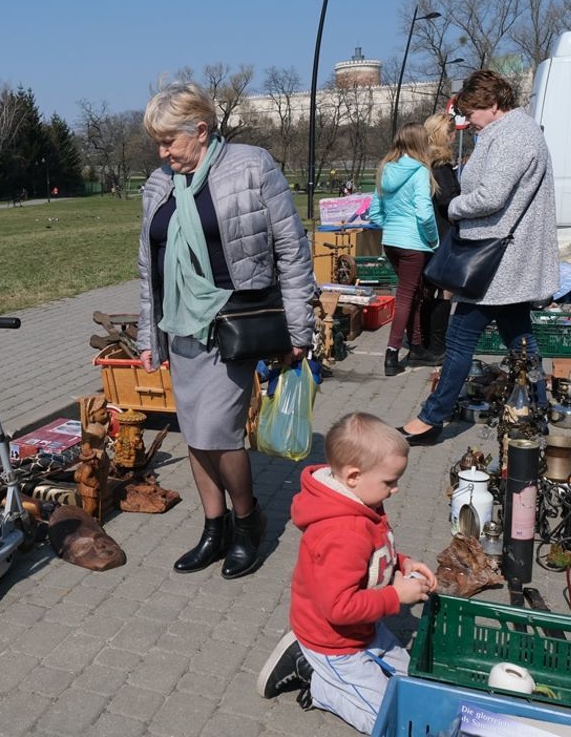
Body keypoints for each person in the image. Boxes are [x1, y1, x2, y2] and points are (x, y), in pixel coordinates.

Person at [137, 81, 314, 579]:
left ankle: (247, 520)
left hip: (234, 323)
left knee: (220, 432)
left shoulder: (251, 165)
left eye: (169, 139)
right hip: (182, 325)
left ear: (200, 129)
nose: (162, 150)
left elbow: (291, 250)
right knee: (194, 432)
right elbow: (147, 265)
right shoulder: (158, 182)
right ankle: (214, 528)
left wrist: (300, 327)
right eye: (158, 141)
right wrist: (152, 337)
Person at [398, 70, 558, 446]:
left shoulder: (514, 136)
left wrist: (453, 206)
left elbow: (490, 196)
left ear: (493, 104)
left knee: (458, 339)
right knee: (520, 341)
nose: (467, 121)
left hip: (495, 262)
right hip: (504, 259)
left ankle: (432, 418)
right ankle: (535, 413)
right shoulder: (509, 133)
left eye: (471, 112)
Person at [256, 413, 435, 734]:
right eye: (390, 482)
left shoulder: (363, 502)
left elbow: (374, 552)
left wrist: (401, 563)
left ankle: (318, 668)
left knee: (417, 685)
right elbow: (338, 608)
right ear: (353, 476)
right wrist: (396, 595)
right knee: (391, 721)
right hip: (335, 644)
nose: (395, 490)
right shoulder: (342, 532)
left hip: (363, 629)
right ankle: (316, 679)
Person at [368, 123, 438, 376]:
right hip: (413, 243)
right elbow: (424, 213)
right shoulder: (420, 171)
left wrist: (393, 226)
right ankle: (392, 352)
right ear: (420, 143)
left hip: (392, 242)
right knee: (407, 297)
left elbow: (374, 210)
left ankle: (416, 346)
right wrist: (433, 240)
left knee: (414, 293)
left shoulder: (385, 169)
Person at [415, 111, 462, 362]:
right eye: (450, 132)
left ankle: (426, 341)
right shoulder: (440, 163)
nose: (454, 136)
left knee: (431, 290)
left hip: (431, 234)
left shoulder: (425, 161)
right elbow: (446, 199)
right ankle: (437, 345)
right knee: (442, 291)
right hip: (443, 232)